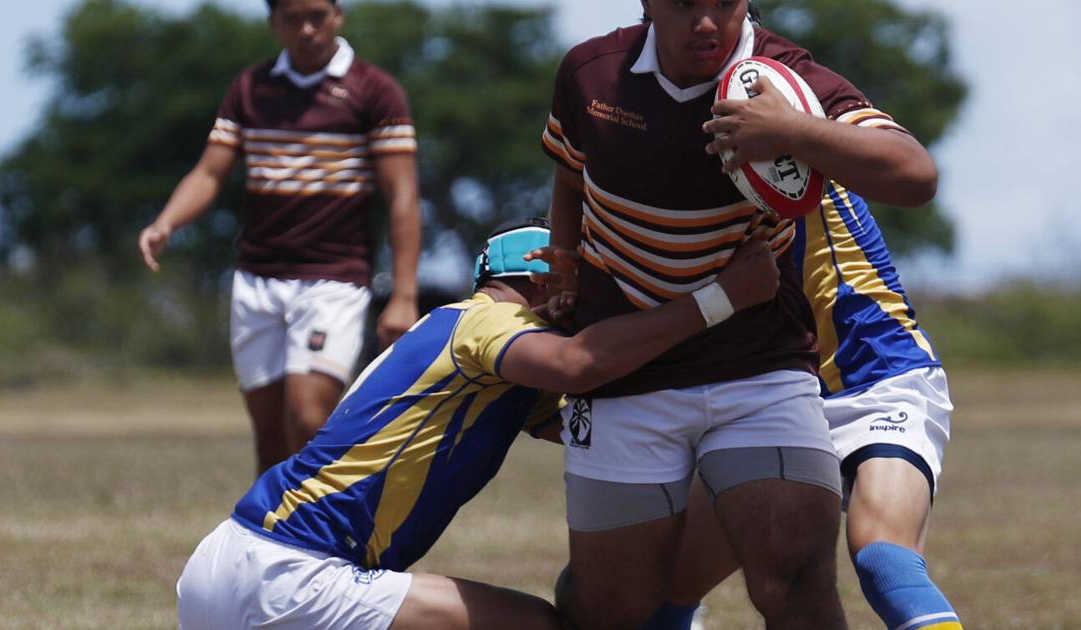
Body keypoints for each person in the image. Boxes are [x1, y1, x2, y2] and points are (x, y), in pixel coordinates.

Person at [175, 217, 783, 630]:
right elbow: (578, 365)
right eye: (587, 286)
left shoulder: (468, 349)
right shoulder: (486, 326)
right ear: (544, 281)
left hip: (230, 558)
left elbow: (599, 423)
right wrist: (721, 297)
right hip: (295, 571)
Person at [539, 0, 938, 627]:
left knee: (796, 580)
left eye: (724, 3)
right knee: (608, 607)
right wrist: (564, 262)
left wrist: (790, 131)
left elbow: (915, 175)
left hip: (758, 367)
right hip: (626, 373)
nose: (706, 23)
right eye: (685, 5)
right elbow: (570, 173)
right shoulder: (591, 73)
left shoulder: (785, 79)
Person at [138, 0, 422, 476]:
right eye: (293, 19)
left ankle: (322, 533)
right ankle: (270, 543)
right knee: (269, 438)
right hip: (258, 279)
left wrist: (404, 293)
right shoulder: (252, 88)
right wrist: (166, 222)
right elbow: (210, 173)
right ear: (273, 22)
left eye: (318, 16)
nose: (307, 29)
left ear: (338, 15)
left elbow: (403, 197)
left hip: (334, 279)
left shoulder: (374, 90)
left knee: (308, 417)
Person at [664, 186, 963, 630]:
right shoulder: (671, 171)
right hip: (771, 395)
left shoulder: (798, 128)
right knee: (661, 591)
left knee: (884, 558)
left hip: (875, 376)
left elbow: (912, 174)